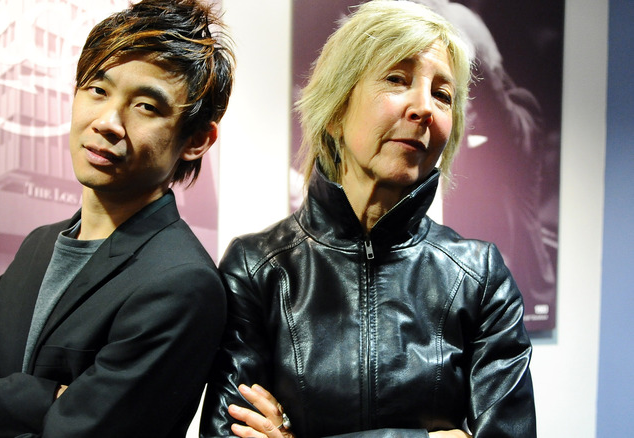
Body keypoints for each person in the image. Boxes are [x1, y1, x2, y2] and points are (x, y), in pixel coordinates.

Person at [200, 1, 535, 437]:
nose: (423, 108)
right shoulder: (257, 268)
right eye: (397, 79)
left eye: (442, 94)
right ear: (337, 108)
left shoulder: (478, 277)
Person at [0, 1, 234, 437]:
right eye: (98, 90)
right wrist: (46, 398)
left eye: (144, 106)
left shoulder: (180, 282)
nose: (107, 122)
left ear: (197, 139)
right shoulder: (40, 245)